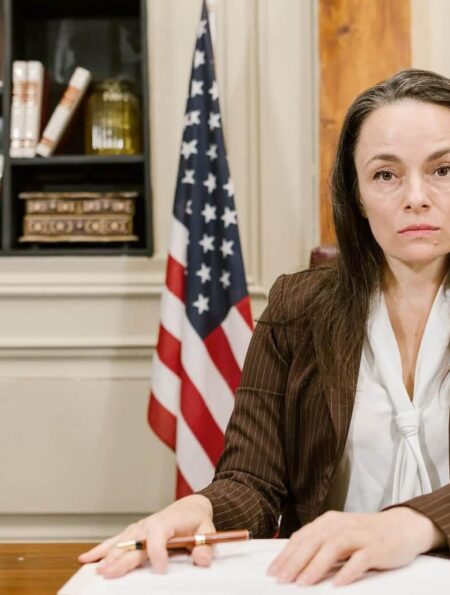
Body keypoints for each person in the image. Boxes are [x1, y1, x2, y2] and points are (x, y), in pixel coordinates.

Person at [79, 68, 450, 587]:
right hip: (334, 581)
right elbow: (252, 481)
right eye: (385, 175)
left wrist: (413, 524)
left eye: (443, 169)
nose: (416, 196)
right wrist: (203, 508)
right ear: (357, 196)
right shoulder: (298, 306)